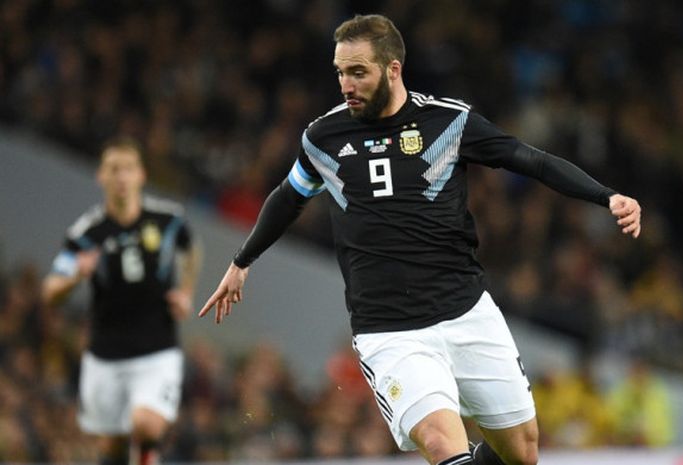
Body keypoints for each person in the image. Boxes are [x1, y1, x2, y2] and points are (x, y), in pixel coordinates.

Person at [199, 14, 641, 465]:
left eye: (358, 72)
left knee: (522, 453)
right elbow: (287, 198)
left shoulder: (448, 123)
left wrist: (606, 197)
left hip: (465, 311)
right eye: (340, 72)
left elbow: (531, 160)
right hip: (389, 330)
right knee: (440, 441)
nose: (345, 84)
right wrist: (241, 261)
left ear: (393, 69)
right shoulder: (323, 138)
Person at [42, 137, 201, 465]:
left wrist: (186, 290)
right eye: (113, 169)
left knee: (146, 425)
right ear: (101, 176)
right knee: (112, 449)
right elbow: (50, 290)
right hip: (106, 355)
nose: (121, 177)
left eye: (128, 168)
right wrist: (75, 276)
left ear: (141, 174)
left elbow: (192, 248)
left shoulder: (167, 219)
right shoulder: (87, 233)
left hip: (157, 349)